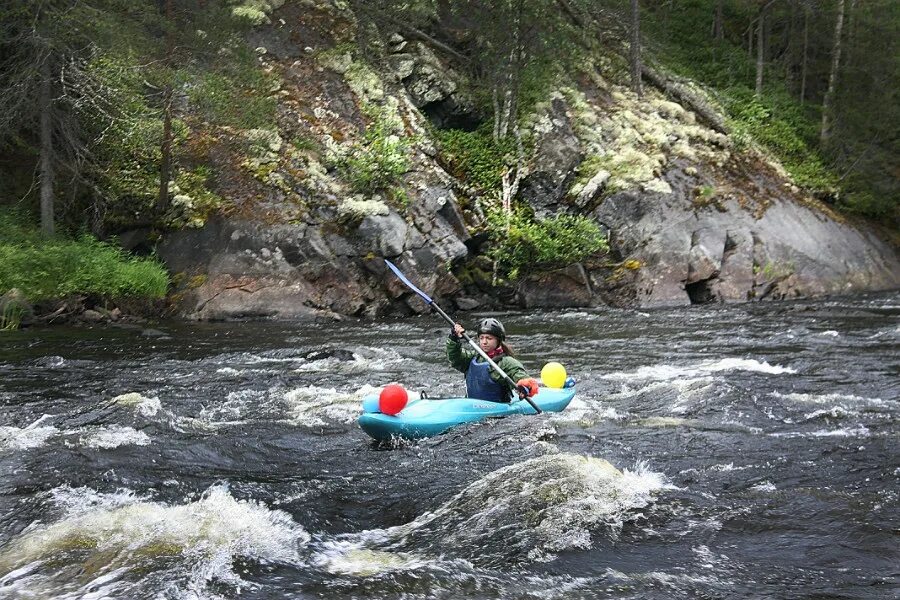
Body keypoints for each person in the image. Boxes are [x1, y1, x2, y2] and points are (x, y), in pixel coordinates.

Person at [446, 317, 537, 402]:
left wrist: (525, 385)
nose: (484, 342)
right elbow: (455, 358)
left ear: (498, 340)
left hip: (499, 413)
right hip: (472, 406)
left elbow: (521, 376)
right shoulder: (473, 358)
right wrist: (454, 338)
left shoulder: (507, 362)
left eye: (489, 338)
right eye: (481, 338)